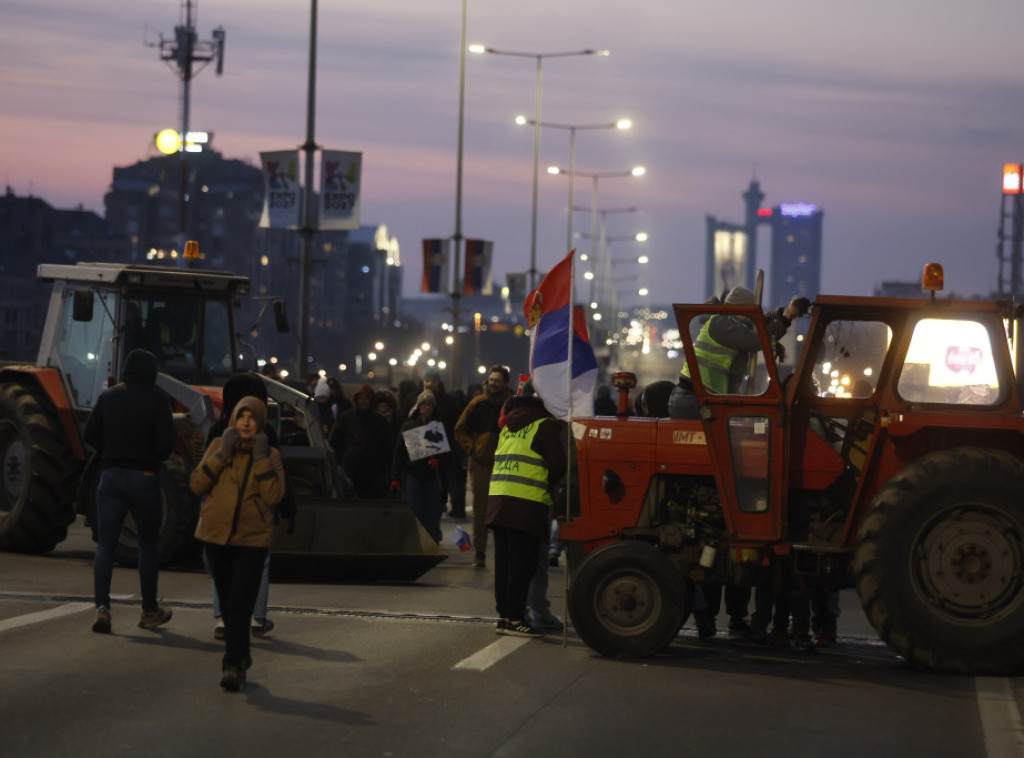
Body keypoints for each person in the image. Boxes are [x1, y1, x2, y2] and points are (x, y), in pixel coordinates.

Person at [191, 396, 286, 691]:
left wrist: (259, 458)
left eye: (252, 417)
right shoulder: (219, 446)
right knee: (229, 600)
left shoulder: (270, 455)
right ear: (233, 419)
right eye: (241, 416)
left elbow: (274, 496)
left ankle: (232, 665)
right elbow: (197, 484)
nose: (246, 422)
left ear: (260, 422)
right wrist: (222, 453)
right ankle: (241, 654)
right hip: (215, 536)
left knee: (239, 603)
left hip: (251, 539)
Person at [84, 348, 175, 634]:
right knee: (147, 545)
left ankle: (102, 609)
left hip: (110, 476)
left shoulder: (108, 397)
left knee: (106, 545)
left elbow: (89, 435)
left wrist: (111, 451)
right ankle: (149, 610)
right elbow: (165, 446)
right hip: (144, 477)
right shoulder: (159, 400)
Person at [206, 372, 294, 640]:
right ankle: (257, 618)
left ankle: (223, 619)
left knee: (223, 560)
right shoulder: (265, 431)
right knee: (260, 563)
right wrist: (288, 508)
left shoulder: (218, 430)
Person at [488, 390, 567, 638]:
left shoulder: (507, 428)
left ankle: (504, 616)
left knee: (504, 564)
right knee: (523, 566)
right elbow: (558, 464)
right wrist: (546, 483)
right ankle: (515, 618)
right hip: (526, 505)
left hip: (499, 502)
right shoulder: (543, 426)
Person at [668, 286, 808, 419]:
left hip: (700, 395)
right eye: (748, 312)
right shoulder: (720, 323)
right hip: (692, 399)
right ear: (738, 309)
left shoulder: (727, 321)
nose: (750, 318)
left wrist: (780, 313)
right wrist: (785, 317)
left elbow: (755, 324)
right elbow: (754, 339)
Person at [454, 365, 513, 567]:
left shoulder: (512, 404)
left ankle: (504, 553)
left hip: (507, 465)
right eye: (491, 379)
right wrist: (474, 450)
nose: (493, 383)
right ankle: (480, 552)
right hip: (482, 465)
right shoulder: (478, 404)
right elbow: (459, 429)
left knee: (504, 511)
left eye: (497, 380)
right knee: (481, 510)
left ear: (506, 383)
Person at [390, 390, 448, 542]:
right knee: (414, 508)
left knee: (432, 510)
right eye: (423, 404)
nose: (426, 408)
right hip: (413, 473)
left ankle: (432, 540)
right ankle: (414, 540)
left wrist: (438, 462)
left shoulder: (437, 426)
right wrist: (395, 477)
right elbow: (399, 452)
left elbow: (445, 455)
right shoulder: (409, 425)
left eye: (429, 405)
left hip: (431, 476)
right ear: (418, 406)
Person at [330, 382, 392, 499]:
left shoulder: (380, 422)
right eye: (360, 398)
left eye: (366, 398)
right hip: (350, 470)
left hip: (372, 473)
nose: (363, 401)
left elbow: (386, 447)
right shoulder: (346, 418)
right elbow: (335, 442)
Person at [423, 367, 466, 518]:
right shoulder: (420, 398)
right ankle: (436, 505)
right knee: (432, 478)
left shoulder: (447, 400)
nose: (429, 384)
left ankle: (454, 506)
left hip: (445, 444)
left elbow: (453, 423)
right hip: (426, 444)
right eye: (427, 380)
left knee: (448, 477)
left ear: (438, 382)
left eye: (432, 381)